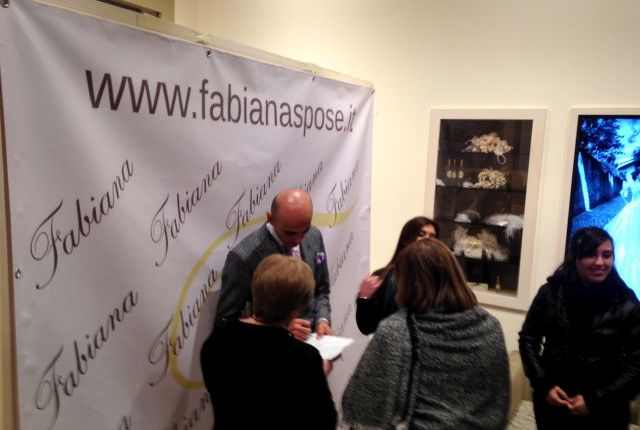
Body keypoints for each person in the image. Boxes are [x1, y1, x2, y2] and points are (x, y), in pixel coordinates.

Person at [342, 238, 509, 429]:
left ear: (406, 281)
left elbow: (361, 403)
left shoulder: (396, 330)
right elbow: (500, 399)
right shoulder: (491, 326)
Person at [519, 226, 640, 429]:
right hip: (554, 404)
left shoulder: (627, 302)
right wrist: (544, 384)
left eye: (607, 255)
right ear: (574, 257)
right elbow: (528, 339)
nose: (600, 262)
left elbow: (637, 363)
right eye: (591, 254)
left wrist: (596, 400)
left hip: (607, 409)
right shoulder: (550, 293)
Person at [201, 254, 337, 430]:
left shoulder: (217, 340)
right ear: (298, 308)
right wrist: (319, 375)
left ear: (255, 288)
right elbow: (325, 422)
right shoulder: (304, 359)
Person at [215, 188, 332, 340]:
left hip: (314, 344)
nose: (298, 239)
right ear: (270, 218)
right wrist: (280, 328)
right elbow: (225, 324)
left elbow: (321, 289)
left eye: (305, 230)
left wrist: (323, 320)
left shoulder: (314, 236)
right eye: (290, 233)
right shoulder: (243, 258)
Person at [355, 216, 440, 335]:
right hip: (391, 344)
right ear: (406, 240)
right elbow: (366, 328)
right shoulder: (383, 277)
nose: (427, 240)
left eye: (432, 237)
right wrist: (364, 297)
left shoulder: (442, 279)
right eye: (421, 234)